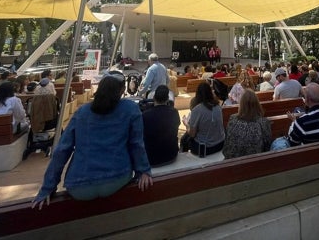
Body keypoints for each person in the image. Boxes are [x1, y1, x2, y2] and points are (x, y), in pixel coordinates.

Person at [32, 75, 152, 208]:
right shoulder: (130, 108)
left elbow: (62, 150)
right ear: (122, 90)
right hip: (117, 178)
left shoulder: (82, 112)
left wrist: (47, 187)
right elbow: (136, 143)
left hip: (79, 184)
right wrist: (143, 171)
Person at [270, 83, 319, 150]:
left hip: (311, 158)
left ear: (307, 100)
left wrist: (294, 123)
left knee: (278, 142)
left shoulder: (302, 122)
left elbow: (292, 145)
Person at [223, 90, 272, 159]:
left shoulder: (232, 118)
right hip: (253, 162)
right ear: (257, 104)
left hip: (231, 160)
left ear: (241, 104)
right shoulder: (263, 122)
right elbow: (267, 146)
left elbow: (228, 140)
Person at [181, 82, 225, 156]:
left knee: (184, 139)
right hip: (220, 144)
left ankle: (184, 157)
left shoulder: (197, 110)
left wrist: (186, 123)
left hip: (205, 148)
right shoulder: (218, 107)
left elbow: (192, 134)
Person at [142, 85, 181, 167]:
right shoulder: (174, 112)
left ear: (154, 98)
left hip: (151, 158)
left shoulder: (145, 115)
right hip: (171, 155)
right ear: (167, 99)